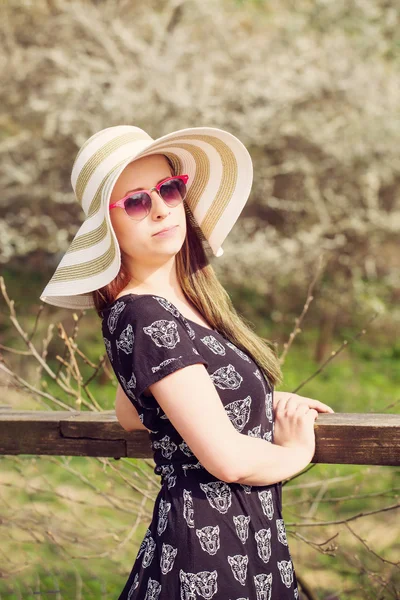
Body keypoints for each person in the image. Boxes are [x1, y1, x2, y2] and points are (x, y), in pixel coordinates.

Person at [40, 125, 334, 599]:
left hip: (243, 546)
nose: (160, 208)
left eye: (168, 189)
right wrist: (298, 452)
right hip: (207, 560)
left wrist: (257, 400)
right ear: (107, 228)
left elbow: (133, 413)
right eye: (136, 202)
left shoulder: (179, 306)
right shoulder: (142, 311)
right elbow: (229, 459)